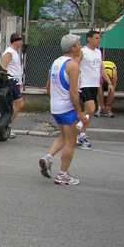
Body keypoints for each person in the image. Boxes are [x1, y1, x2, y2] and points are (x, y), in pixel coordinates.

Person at [38, 34, 88, 185]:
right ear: (73, 48)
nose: (81, 47)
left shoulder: (56, 62)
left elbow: (48, 86)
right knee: (71, 142)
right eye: (79, 44)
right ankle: (63, 175)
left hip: (56, 106)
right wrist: (79, 112)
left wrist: (55, 100)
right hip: (67, 108)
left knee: (63, 137)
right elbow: (73, 92)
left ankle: (48, 158)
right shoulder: (73, 65)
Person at [76, 30, 113, 148]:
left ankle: (81, 136)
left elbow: (102, 69)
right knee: (91, 109)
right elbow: (74, 65)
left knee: (89, 112)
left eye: (99, 38)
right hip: (84, 84)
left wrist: (109, 83)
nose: (99, 40)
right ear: (89, 39)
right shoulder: (83, 52)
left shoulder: (98, 52)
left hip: (94, 85)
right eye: (96, 38)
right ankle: (78, 125)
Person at [0, 32, 25, 138]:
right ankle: (8, 125)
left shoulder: (14, 52)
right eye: (21, 40)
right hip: (10, 83)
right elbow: (2, 68)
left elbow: (15, 69)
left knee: (10, 105)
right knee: (19, 104)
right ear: (16, 41)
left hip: (15, 82)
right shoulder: (9, 52)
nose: (22, 42)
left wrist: (19, 83)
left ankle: (5, 126)